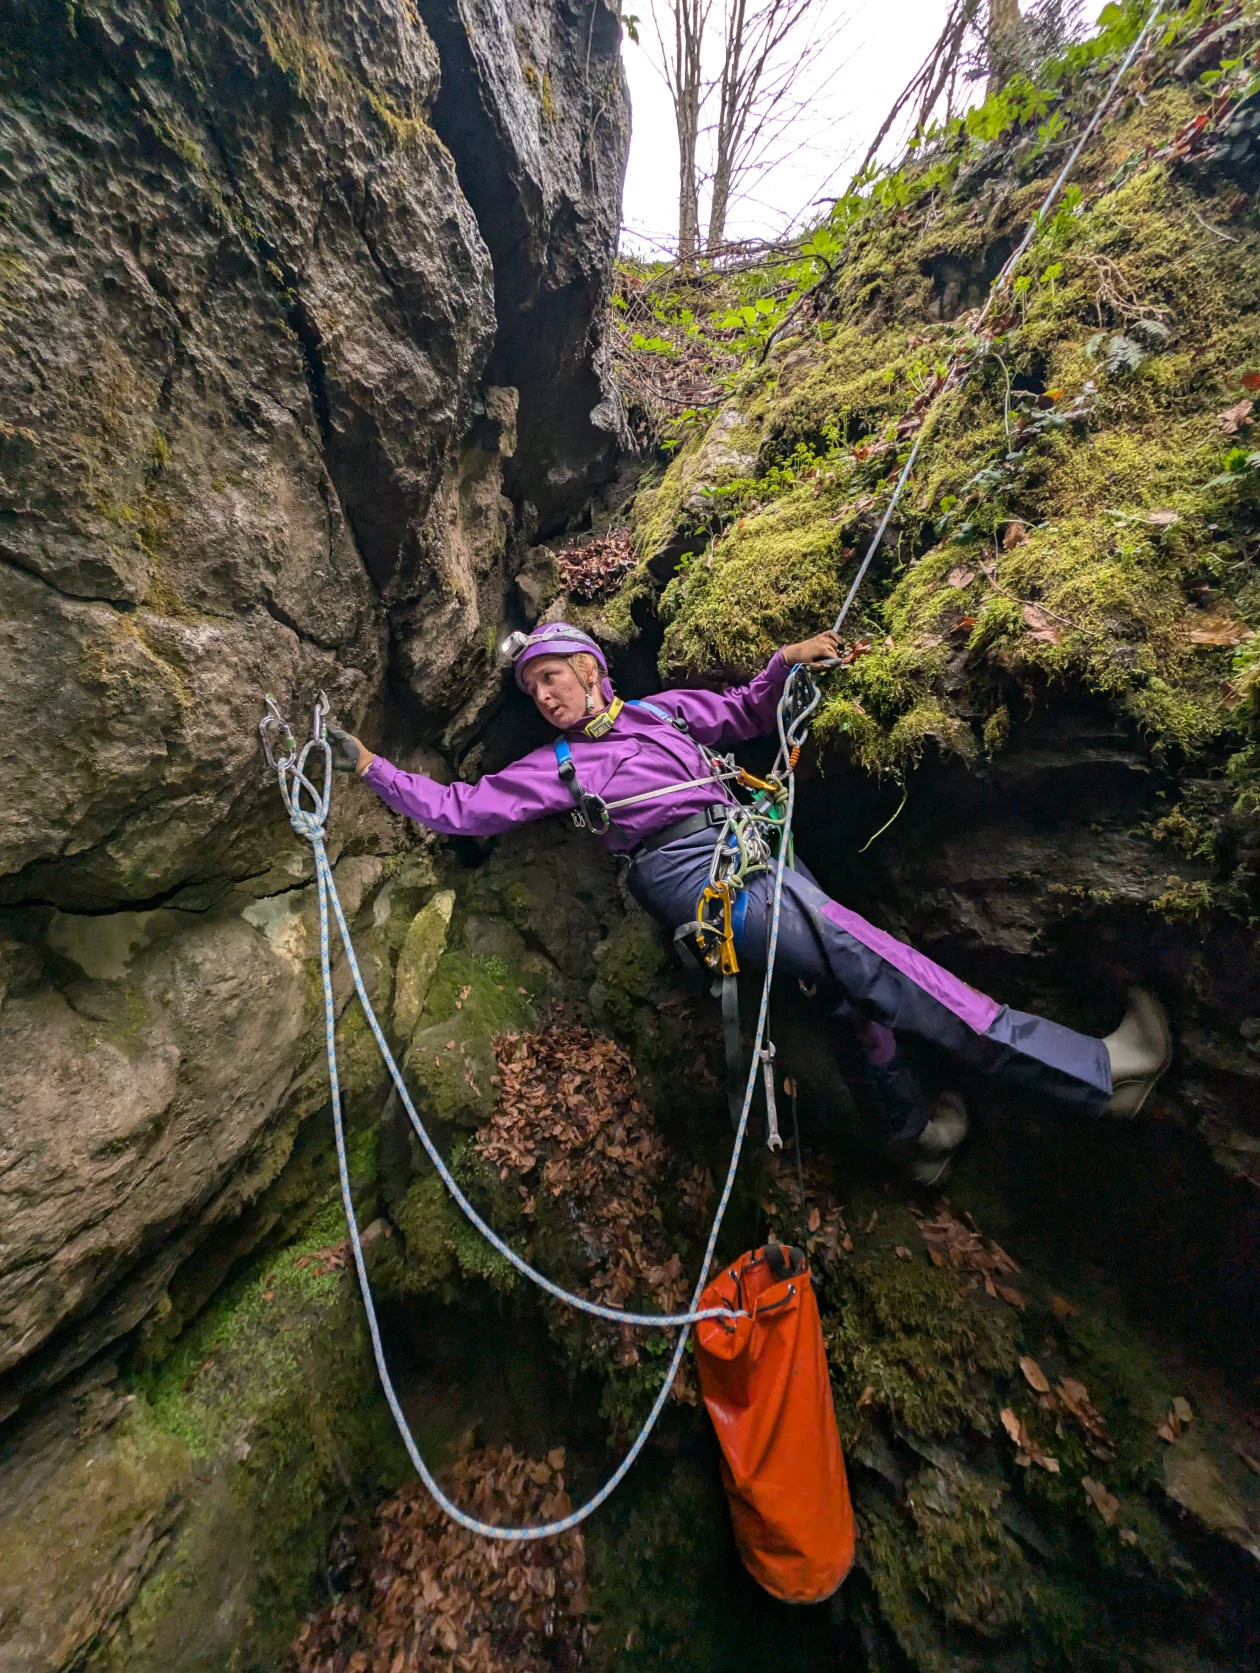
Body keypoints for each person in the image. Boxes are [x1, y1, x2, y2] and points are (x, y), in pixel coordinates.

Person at [328, 622, 1172, 1182]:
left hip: (760, 853)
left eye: (552, 678)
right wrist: (371, 767)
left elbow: (742, 711)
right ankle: (1096, 1075)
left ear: (590, 670)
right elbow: (460, 807)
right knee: (881, 964)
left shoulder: (659, 713)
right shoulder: (561, 767)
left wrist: (785, 665)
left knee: (848, 991)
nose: (544, 697)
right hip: (709, 886)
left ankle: (914, 1136)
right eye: (534, 690)